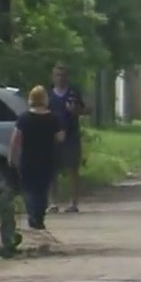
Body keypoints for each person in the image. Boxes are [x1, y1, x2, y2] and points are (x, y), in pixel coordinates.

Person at [8, 85, 65, 230]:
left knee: (29, 189)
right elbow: (60, 137)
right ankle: (39, 216)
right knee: (43, 189)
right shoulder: (53, 118)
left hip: (28, 159)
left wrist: (12, 158)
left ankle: (33, 214)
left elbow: (15, 140)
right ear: (45, 99)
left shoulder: (24, 118)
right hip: (47, 158)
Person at [48, 63, 89, 213]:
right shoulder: (48, 94)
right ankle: (53, 202)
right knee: (52, 170)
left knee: (73, 169)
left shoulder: (73, 92)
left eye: (63, 75)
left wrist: (76, 110)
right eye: (57, 75)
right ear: (53, 77)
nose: (60, 78)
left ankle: (74, 203)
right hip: (53, 136)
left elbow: (85, 110)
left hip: (71, 135)